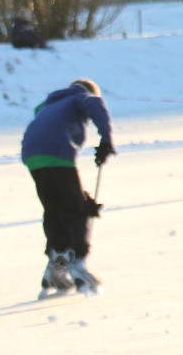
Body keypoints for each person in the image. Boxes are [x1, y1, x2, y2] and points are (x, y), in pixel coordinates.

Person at [20, 78, 115, 295]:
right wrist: (106, 141)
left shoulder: (51, 104)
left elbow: (39, 113)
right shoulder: (80, 97)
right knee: (77, 211)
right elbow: (94, 103)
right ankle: (77, 262)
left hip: (33, 157)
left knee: (54, 210)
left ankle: (58, 261)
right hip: (57, 153)